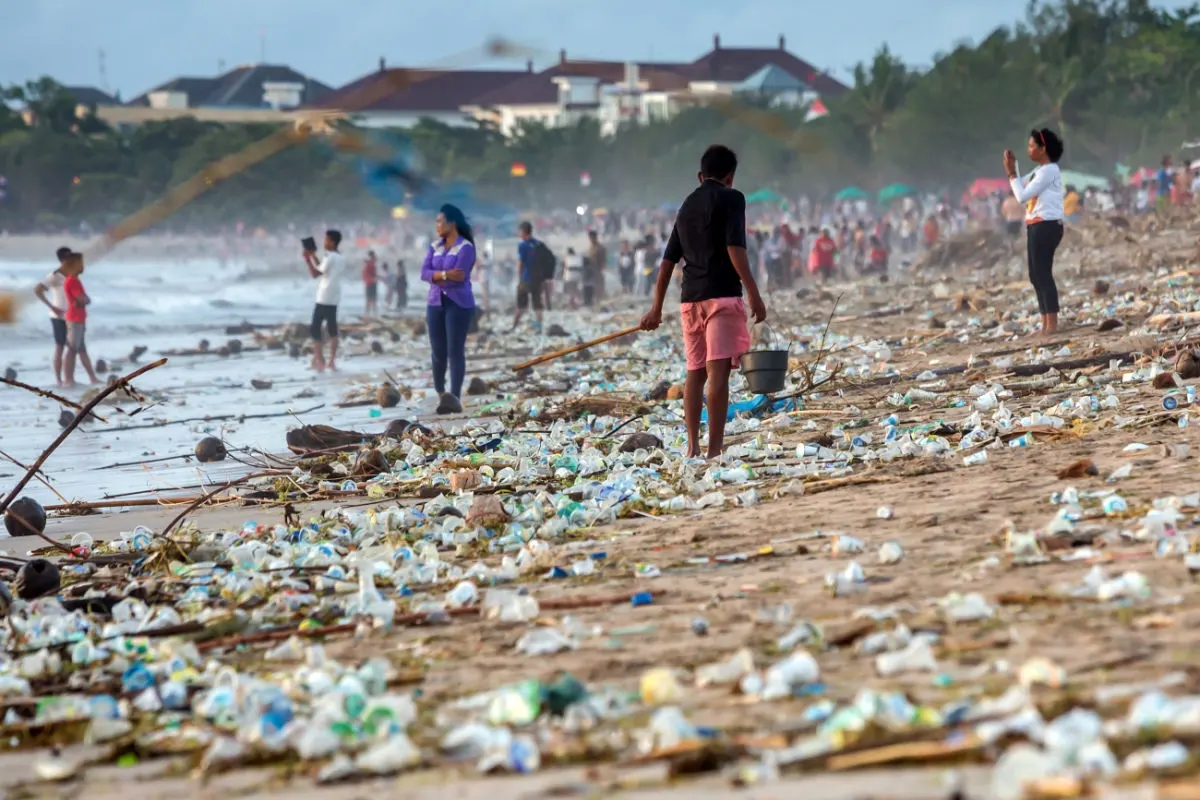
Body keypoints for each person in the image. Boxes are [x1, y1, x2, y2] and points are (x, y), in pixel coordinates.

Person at [640, 144, 767, 460]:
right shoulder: (733, 198)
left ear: (700, 176)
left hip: (690, 301)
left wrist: (655, 308)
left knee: (695, 374)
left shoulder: (687, 205)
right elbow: (735, 248)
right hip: (721, 297)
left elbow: (668, 262)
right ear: (730, 177)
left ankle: (693, 447)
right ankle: (714, 449)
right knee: (718, 374)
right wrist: (753, 291)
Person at [1005, 127, 1065, 336]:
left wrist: (1012, 173)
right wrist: (1014, 169)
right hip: (1035, 224)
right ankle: (1045, 322)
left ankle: (1052, 324)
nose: (1029, 150)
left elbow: (1021, 196)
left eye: (1032, 146)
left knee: (1042, 273)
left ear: (1043, 148)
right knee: (1034, 274)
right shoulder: (1039, 172)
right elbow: (1020, 185)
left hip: (1046, 225)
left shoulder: (1049, 170)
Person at [421, 203, 476, 414]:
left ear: (452, 224)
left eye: (440, 221)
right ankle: (441, 393)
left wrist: (437, 275)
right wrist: (444, 275)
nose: (437, 225)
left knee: (455, 350)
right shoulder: (435, 246)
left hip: (458, 303)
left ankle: (454, 395)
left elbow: (460, 275)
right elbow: (424, 272)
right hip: (435, 303)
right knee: (438, 351)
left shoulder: (466, 247)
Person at [303, 229, 344, 372]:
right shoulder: (339, 257)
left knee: (316, 329)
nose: (324, 242)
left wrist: (307, 260)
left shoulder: (329, 256)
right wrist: (314, 257)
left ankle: (319, 360)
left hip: (323, 297)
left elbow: (315, 274)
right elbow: (323, 268)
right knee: (332, 330)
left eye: (326, 240)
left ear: (332, 242)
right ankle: (331, 361)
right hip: (334, 297)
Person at [34, 246, 72, 386]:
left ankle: (69, 379)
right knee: (60, 347)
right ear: (62, 259)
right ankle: (58, 380)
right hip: (58, 316)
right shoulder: (55, 276)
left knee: (74, 347)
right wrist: (52, 307)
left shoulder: (71, 274)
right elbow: (38, 290)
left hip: (71, 316)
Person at [59, 252, 99, 387]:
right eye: (80, 263)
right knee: (72, 349)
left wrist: (84, 300)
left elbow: (84, 299)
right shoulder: (73, 281)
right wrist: (83, 300)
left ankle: (93, 378)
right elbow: (81, 299)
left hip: (79, 317)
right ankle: (68, 379)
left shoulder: (75, 280)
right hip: (74, 318)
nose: (83, 266)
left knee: (82, 349)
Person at [513, 220, 545, 330]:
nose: (519, 233)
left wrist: (519, 279)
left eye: (519, 231)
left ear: (523, 232)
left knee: (520, 304)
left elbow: (520, 263)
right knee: (537, 304)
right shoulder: (538, 244)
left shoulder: (523, 245)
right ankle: (540, 326)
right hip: (537, 279)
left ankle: (514, 326)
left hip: (526, 278)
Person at [586, 229, 607, 305]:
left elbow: (603, 261)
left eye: (591, 238)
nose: (590, 240)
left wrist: (601, 270)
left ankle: (600, 302)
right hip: (591, 272)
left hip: (598, 270)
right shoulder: (590, 248)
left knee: (599, 288)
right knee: (592, 288)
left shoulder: (600, 248)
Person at [362, 250, 379, 318]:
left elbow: (372, 274)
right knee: (370, 299)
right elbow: (365, 274)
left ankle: (373, 315)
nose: (375, 258)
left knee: (372, 299)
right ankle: (368, 315)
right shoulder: (369, 264)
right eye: (374, 256)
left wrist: (378, 277)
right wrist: (372, 279)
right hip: (370, 284)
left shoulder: (371, 264)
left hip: (371, 283)